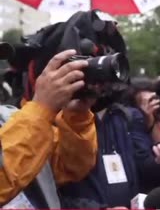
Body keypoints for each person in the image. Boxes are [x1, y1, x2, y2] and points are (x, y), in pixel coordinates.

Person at [0, 49, 97, 208]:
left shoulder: (10, 117)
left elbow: (70, 166)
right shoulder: (31, 117)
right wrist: (42, 108)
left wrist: (77, 117)